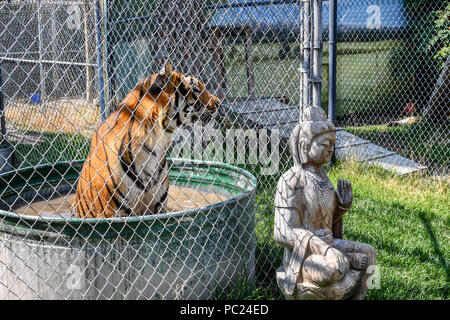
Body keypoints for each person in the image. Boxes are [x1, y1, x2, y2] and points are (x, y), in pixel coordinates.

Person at [274, 107, 376, 300]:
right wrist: (326, 250)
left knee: (369, 253)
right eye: (325, 144)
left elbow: (325, 223)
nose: (330, 149)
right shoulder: (290, 181)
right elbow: (283, 232)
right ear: (305, 146)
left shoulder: (324, 179)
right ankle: (346, 262)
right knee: (335, 268)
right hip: (304, 255)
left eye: (333, 144)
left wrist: (342, 207)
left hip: (330, 245)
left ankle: (363, 295)